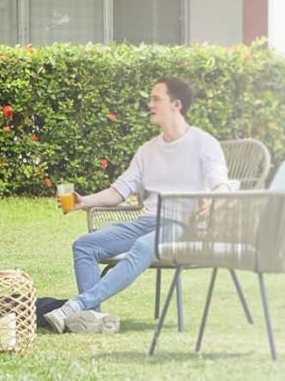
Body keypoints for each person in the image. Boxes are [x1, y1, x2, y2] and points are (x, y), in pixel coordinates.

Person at [44, 77, 230, 334]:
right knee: (84, 245)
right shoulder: (147, 150)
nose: (150, 104)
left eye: (156, 99)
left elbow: (220, 183)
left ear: (176, 104)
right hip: (146, 221)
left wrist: (213, 201)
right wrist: (84, 202)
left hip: (181, 225)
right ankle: (94, 320)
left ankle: (77, 306)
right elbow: (119, 191)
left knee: (143, 246)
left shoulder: (203, 143)